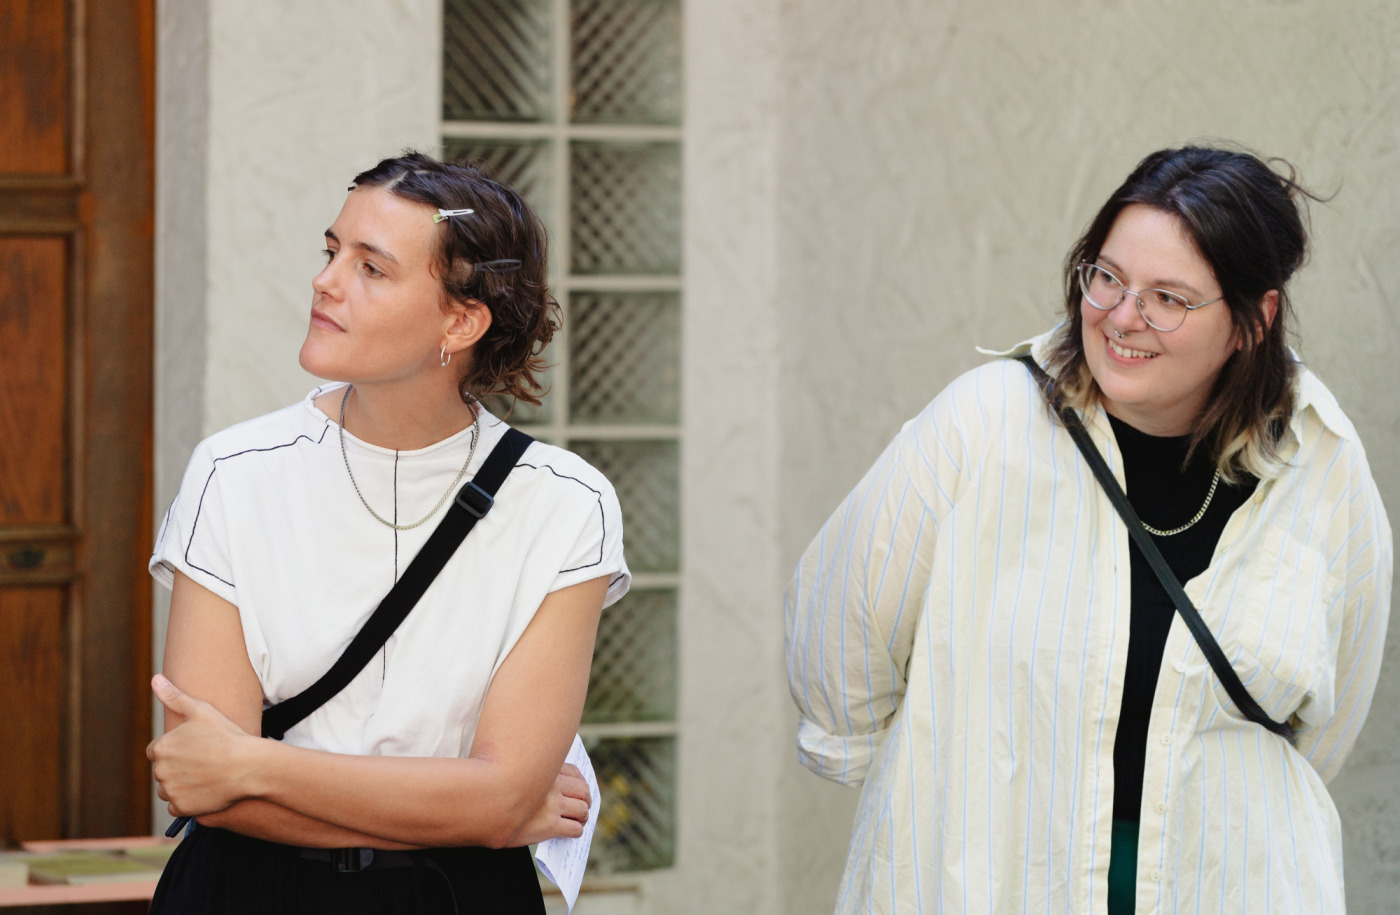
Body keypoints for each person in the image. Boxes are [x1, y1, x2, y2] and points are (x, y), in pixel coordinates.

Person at [785, 145, 1392, 913]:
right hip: (996, 882)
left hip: (1228, 884)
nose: (1122, 317)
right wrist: (931, 795)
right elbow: (841, 625)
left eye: (1168, 298)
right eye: (1107, 277)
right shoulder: (982, 424)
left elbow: (1326, 722)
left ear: (1253, 320)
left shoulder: (1323, 466)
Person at [146, 152, 630, 914]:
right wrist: (470, 808)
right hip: (247, 892)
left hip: (458, 900)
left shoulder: (566, 505)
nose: (326, 280)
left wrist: (253, 764)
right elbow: (203, 785)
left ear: (461, 321)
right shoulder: (232, 473)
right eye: (332, 251)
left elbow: (503, 799)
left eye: (371, 267)